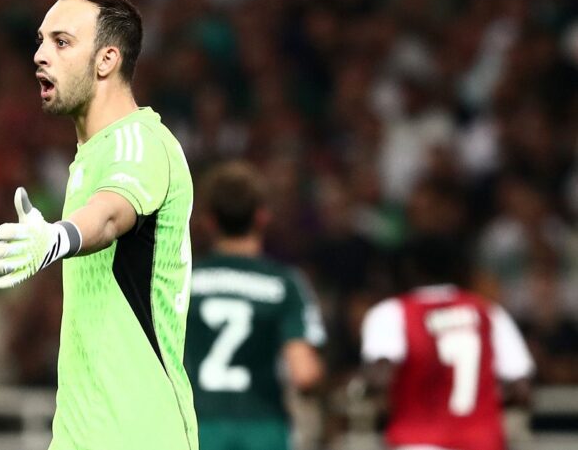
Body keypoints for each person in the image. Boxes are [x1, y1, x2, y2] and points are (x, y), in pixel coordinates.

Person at [0, 0, 197, 450]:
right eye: (40, 40)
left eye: (62, 42)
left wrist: (56, 238)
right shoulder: (92, 156)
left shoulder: (140, 141)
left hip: (140, 436)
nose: (40, 55)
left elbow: (108, 215)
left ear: (107, 60)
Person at [185, 162, 326, 450]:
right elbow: (304, 373)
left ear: (209, 221)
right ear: (262, 217)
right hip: (263, 428)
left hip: (198, 426)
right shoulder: (284, 284)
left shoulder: (183, 280)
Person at [360, 236, 535, 450]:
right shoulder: (488, 312)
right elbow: (521, 389)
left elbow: (379, 378)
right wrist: (482, 400)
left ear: (408, 269)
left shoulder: (392, 312)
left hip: (418, 440)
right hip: (481, 442)